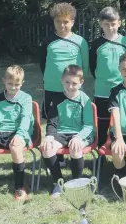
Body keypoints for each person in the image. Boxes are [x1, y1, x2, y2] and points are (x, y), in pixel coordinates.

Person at [39, 2, 89, 167]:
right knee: (53, 121)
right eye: (58, 21)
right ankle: (56, 156)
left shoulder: (80, 41)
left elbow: (86, 65)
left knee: (71, 119)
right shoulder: (47, 41)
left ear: (72, 22)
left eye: (66, 21)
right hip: (52, 88)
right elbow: (42, 64)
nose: (62, 25)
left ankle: (74, 148)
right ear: (53, 22)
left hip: (72, 90)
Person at [40, 65, 95, 198]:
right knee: (47, 148)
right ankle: (59, 183)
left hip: (82, 134)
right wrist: (49, 137)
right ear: (62, 81)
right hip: (61, 133)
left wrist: (78, 137)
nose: (70, 86)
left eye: (74, 83)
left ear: (81, 83)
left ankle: (76, 183)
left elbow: (89, 126)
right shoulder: (56, 99)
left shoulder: (85, 100)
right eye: (67, 82)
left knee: (75, 148)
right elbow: (52, 122)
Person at [90, 7, 126, 147]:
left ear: (119, 23)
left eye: (113, 24)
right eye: (106, 24)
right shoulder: (96, 44)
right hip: (102, 91)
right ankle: (101, 156)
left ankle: (124, 152)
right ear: (101, 24)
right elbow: (92, 66)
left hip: (122, 89)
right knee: (102, 123)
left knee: (123, 122)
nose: (110, 27)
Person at [0, 65, 33, 201]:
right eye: (10, 84)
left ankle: (20, 187)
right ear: (4, 81)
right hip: (0, 132)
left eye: (17, 84)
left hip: (19, 131)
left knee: (15, 148)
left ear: (22, 83)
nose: (13, 87)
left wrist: (19, 135)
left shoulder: (26, 98)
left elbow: (26, 120)